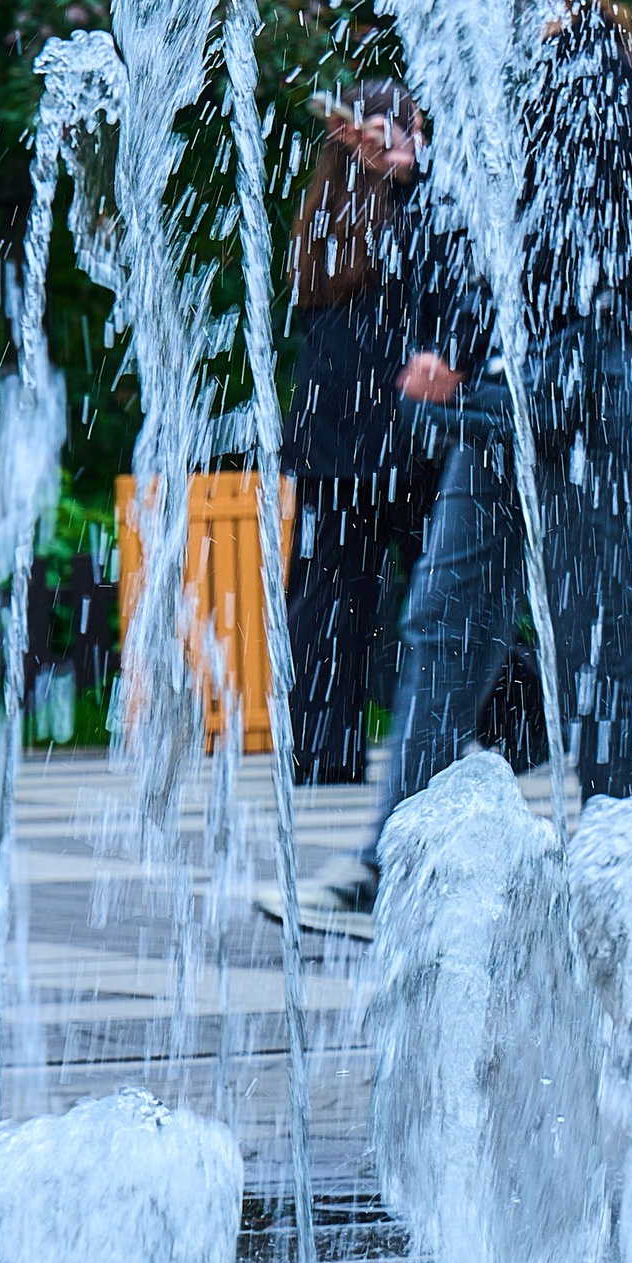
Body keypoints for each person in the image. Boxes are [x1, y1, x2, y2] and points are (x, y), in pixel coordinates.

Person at [293, 0, 632, 935]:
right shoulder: (513, 70)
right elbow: (479, 248)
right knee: (445, 623)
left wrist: (471, 346)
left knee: (601, 629)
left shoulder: (590, 62)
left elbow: (567, 249)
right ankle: (399, 860)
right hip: (512, 397)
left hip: (581, 389)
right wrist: (412, 178)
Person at [278, 82, 488, 787]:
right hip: (371, 434)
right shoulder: (348, 212)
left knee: (407, 593)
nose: (403, 140)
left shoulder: (397, 203)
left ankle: (336, 751)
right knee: (348, 599)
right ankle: (332, 749)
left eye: (407, 127)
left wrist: (406, 168)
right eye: (388, 129)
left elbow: (462, 277)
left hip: (381, 432)